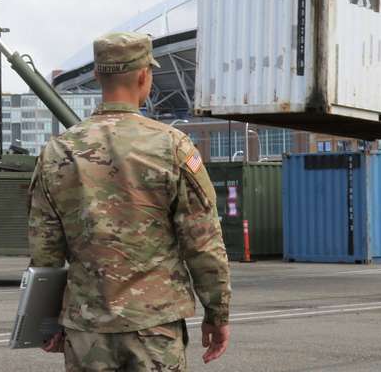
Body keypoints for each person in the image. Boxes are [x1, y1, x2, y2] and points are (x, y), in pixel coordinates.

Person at [29, 32, 231, 371]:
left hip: (86, 328)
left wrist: (48, 321)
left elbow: (45, 250)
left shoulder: (58, 151)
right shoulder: (172, 146)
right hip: (155, 327)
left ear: (97, 75)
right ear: (143, 75)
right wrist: (217, 312)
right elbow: (203, 242)